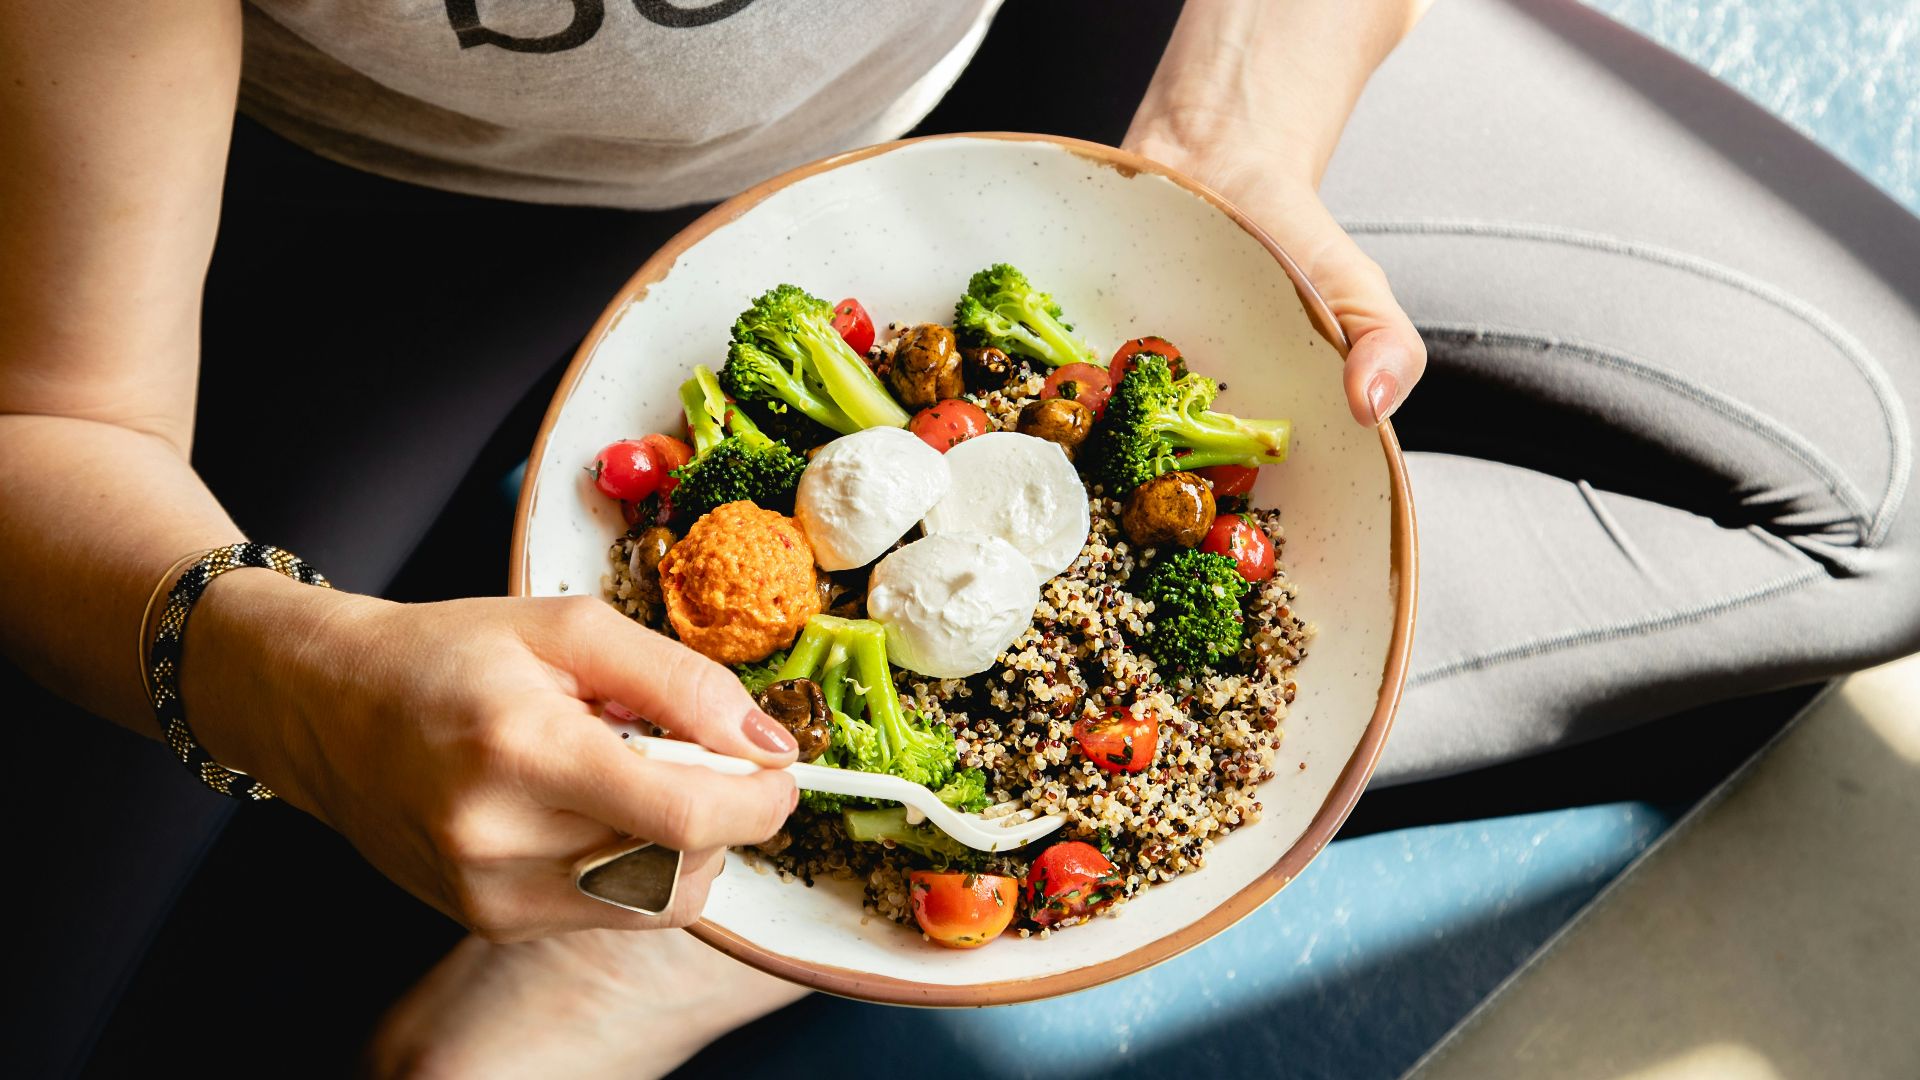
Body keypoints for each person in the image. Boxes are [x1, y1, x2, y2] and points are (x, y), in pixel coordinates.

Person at [5, 0, 1917, 1076]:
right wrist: (291, 678)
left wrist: (1245, 114)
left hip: (1062, 46)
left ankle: (690, 947)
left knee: (1876, 492)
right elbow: (54, 427)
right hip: (398, 208)